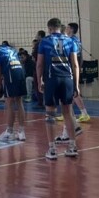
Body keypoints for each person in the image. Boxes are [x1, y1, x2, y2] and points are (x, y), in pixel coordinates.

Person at [36, 18, 81, 160]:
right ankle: (72, 146)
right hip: (67, 79)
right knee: (68, 112)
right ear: (59, 27)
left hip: (52, 79)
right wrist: (76, 84)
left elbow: (39, 64)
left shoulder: (45, 41)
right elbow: (75, 64)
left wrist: (39, 81)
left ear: (49, 28)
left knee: (50, 114)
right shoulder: (70, 41)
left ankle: (52, 149)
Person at [0, 38, 27, 142]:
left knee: (9, 102)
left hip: (11, 75)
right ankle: (21, 132)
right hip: (20, 73)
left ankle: (9, 132)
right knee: (19, 102)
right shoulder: (11, 49)